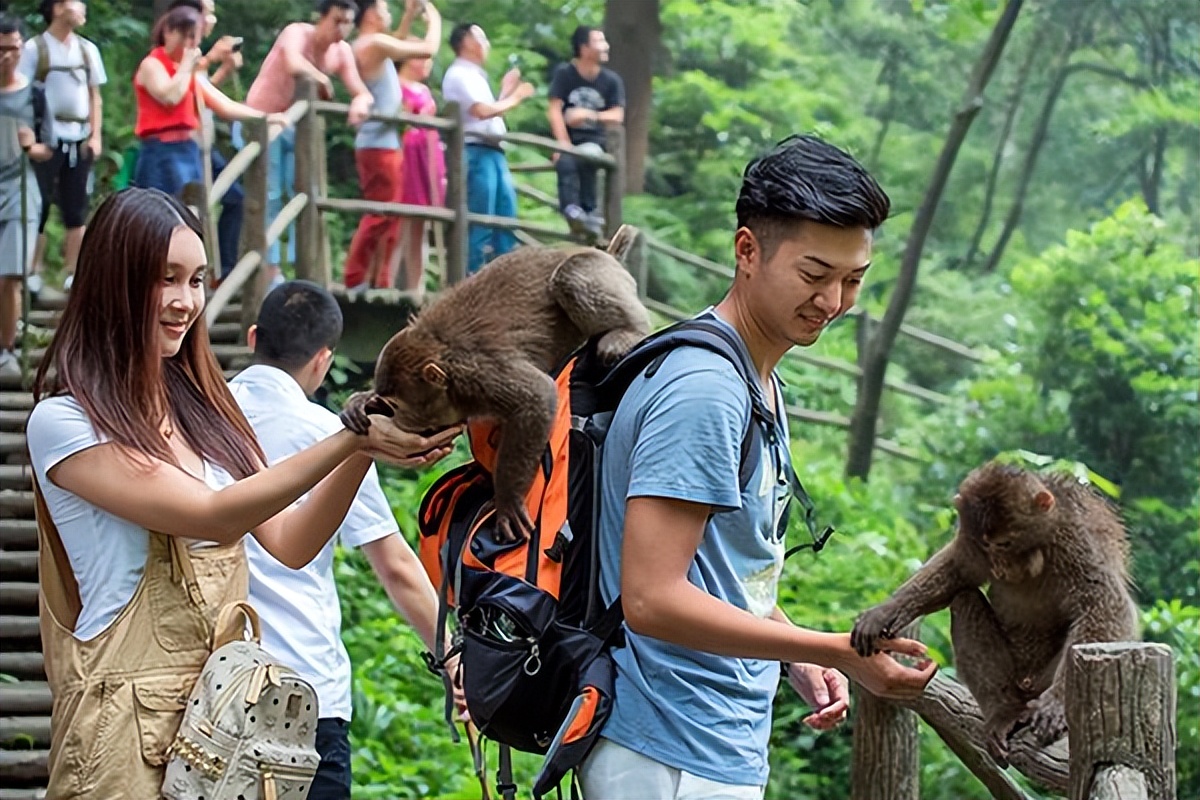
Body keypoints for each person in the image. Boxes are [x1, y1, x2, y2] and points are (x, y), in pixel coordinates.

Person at [25, 187, 461, 798]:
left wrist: (365, 449)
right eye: (165, 279)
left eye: (198, 280)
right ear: (112, 282)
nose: (186, 302)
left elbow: (290, 542)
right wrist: (346, 438)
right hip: (122, 733)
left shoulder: (208, 416)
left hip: (222, 733)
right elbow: (211, 516)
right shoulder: (65, 424)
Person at [579, 135, 938, 799]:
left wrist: (795, 649)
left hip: (701, 745)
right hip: (670, 751)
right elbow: (652, 597)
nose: (832, 301)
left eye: (852, 280)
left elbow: (718, 575)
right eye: (814, 275)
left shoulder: (755, 380)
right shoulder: (705, 389)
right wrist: (837, 649)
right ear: (747, 251)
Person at [229, 279, 463, 800]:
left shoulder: (198, 418)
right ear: (324, 360)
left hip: (214, 691)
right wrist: (451, 660)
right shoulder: (328, 435)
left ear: (252, 338)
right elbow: (395, 566)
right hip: (306, 693)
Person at [242, 0, 373, 286]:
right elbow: (293, 62)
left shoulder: (342, 51)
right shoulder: (297, 33)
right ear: (321, 17)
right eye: (337, 20)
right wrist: (321, 78)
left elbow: (360, 91)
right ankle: (269, 270)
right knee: (270, 195)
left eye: (348, 23)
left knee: (303, 192)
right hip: (262, 122)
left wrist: (361, 103)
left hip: (294, 131)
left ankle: (302, 269)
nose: (342, 29)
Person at [132, 6, 287, 201]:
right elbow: (170, 97)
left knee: (192, 214)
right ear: (169, 32)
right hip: (160, 152)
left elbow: (223, 104)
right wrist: (188, 66)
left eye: (194, 38)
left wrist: (265, 116)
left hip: (187, 148)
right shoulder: (152, 65)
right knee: (159, 216)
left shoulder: (186, 72)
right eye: (186, 36)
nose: (190, 44)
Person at [344, 0, 440, 292]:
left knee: (389, 215)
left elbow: (395, 41)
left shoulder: (370, 44)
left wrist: (410, 14)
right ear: (371, 13)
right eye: (384, 8)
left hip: (381, 142)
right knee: (380, 213)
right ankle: (357, 279)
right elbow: (427, 49)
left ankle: (376, 280)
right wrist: (432, 16)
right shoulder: (372, 44)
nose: (387, 13)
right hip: (378, 144)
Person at [18, 0, 105, 294]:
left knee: (76, 207)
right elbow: (20, 92)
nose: (81, 8)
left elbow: (95, 96)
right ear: (56, 8)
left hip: (78, 137)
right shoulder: (34, 49)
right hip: (46, 139)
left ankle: (74, 272)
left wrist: (96, 135)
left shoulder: (87, 50)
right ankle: (33, 270)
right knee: (38, 205)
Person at [442, 22, 533, 274]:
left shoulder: (475, 76)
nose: (486, 43)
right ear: (467, 42)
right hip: (476, 151)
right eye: (481, 37)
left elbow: (489, 112)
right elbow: (481, 111)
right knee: (480, 220)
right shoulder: (459, 74)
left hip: (493, 152)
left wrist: (504, 92)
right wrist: (515, 99)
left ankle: (503, 280)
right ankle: (470, 278)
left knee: (505, 220)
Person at [167, 0, 246, 281]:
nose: (211, 19)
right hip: (180, 146)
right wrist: (211, 57)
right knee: (184, 210)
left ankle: (223, 270)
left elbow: (204, 91)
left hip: (201, 144)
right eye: (208, 13)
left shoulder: (193, 55)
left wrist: (222, 68)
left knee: (235, 198)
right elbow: (184, 85)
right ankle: (198, 271)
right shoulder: (177, 53)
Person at [1, 14, 51, 377]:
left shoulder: (35, 93)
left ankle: (8, 349)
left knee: (10, 276)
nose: (7, 56)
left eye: (13, 48)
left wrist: (31, 146)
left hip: (20, 186)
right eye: (1, 49)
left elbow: (49, 146)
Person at [547, 25, 624, 240]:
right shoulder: (565, 74)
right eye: (599, 41)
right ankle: (574, 211)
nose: (605, 46)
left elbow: (617, 115)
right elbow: (554, 109)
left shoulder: (611, 81)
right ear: (584, 48)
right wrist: (562, 143)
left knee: (586, 156)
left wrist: (589, 115)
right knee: (566, 160)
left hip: (593, 142)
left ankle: (589, 212)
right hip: (569, 141)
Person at [395, 25, 446, 295]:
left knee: (421, 228)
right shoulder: (398, 87)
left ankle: (417, 286)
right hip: (409, 159)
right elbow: (399, 126)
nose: (425, 63)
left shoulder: (424, 91)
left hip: (428, 157)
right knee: (401, 224)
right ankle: (391, 283)